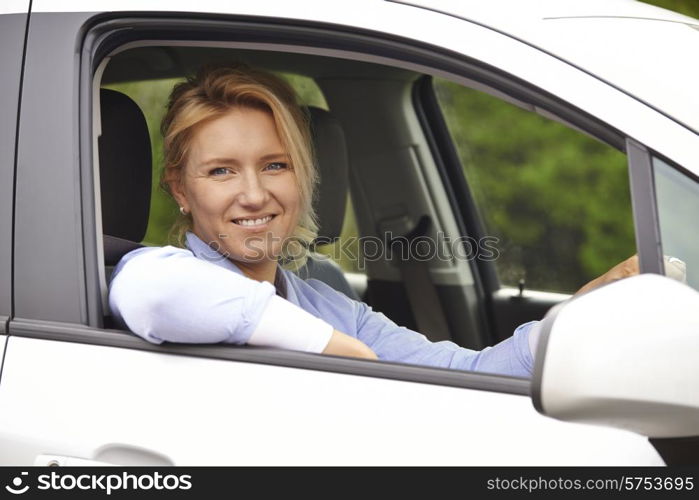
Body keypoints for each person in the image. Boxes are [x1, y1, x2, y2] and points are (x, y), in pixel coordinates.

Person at [108, 64, 643, 378]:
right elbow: (152, 293)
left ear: (304, 177)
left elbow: (470, 375)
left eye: (276, 165)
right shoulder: (161, 272)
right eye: (221, 171)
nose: (254, 194)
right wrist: (339, 351)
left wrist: (578, 316)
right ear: (180, 188)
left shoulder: (331, 301)